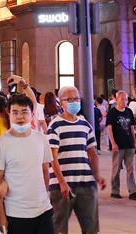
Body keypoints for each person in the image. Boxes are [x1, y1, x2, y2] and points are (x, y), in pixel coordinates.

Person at [47, 86, 106, 234]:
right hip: (62, 187)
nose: (74, 102)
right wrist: (61, 182)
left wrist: (97, 175)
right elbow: (52, 157)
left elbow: (92, 152)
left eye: (77, 99)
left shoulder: (85, 124)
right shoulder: (55, 125)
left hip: (86, 183)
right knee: (59, 228)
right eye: (69, 99)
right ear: (60, 103)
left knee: (91, 227)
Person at [0, 94, 53, 234]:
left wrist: (45, 195)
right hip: (15, 213)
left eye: (24, 112)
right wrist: (1, 216)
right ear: (9, 114)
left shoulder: (41, 139)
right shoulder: (2, 142)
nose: (20, 117)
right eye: (15, 112)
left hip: (43, 210)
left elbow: (45, 170)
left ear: (32, 114)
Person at [106, 90, 136, 200]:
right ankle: (115, 191)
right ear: (117, 99)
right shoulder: (112, 112)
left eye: (126, 99)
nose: (125, 101)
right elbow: (109, 128)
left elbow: (132, 127)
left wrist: (134, 141)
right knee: (116, 169)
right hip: (118, 145)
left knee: (130, 169)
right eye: (122, 99)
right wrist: (113, 143)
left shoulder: (129, 111)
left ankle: (132, 192)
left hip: (129, 144)